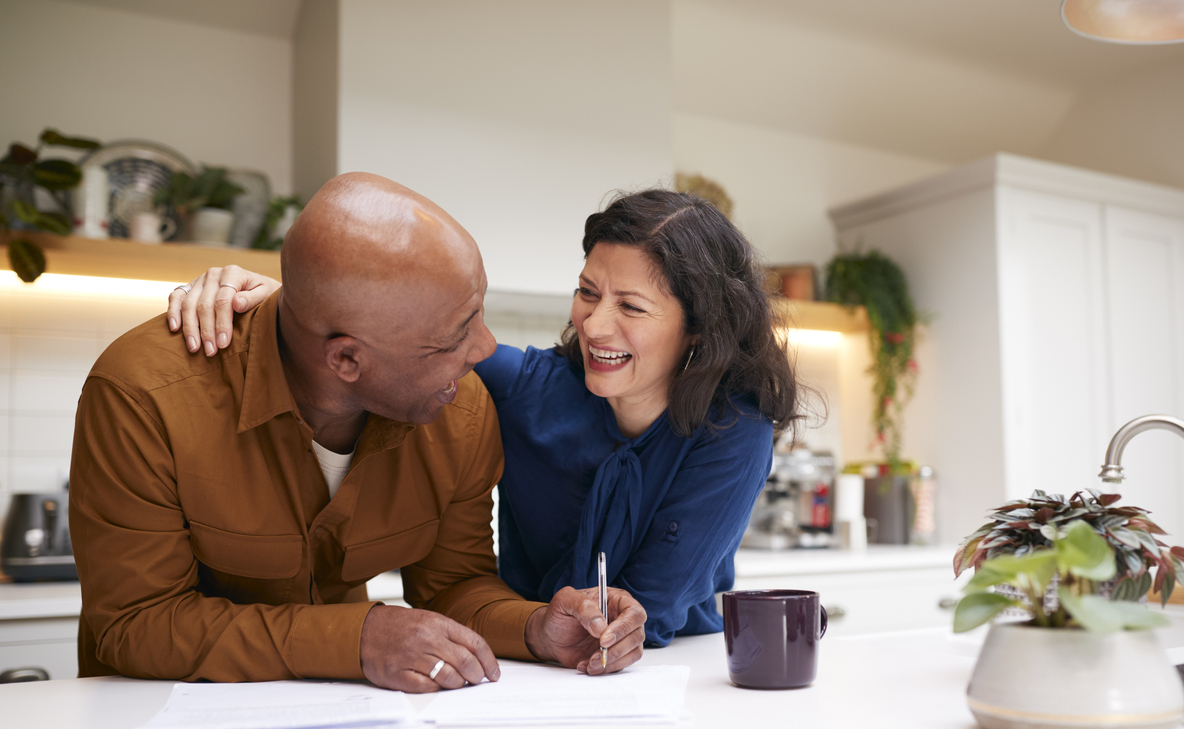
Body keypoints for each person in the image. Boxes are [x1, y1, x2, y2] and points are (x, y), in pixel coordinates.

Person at [70, 173, 646, 692]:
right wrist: (357, 639)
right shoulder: (144, 396)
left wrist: (537, 626)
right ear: (346, 360)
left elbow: (453, 585)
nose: (485, 350)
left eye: (478, 313)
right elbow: (135, 623)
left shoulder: (459, 409)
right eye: (453, 337)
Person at [170, 189, 805, 646]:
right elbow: (401, 341)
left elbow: (650, 611)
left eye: (631, 306)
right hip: (526, 654)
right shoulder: (530, 389)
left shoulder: (734, 431)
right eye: (588, 292)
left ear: (700, 328)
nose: (595, 323)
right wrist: (284, 301)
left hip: (666, 672)